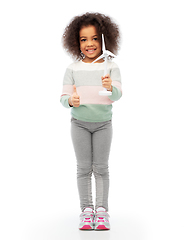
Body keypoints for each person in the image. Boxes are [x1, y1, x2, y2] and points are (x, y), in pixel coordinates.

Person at [60, 12, 122, 230]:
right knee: (84, 168)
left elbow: (117, 96)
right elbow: (64, 98)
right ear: (76, 42)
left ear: (104, 39)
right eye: (84, 39)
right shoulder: (72, 69)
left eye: (95, 38)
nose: (89, 44)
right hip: (79, 124)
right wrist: (71, 100)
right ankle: (87, 211)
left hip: (104, 124)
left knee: (102, 167)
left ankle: (102, 211)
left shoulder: (111, 67)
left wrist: (110, 88)